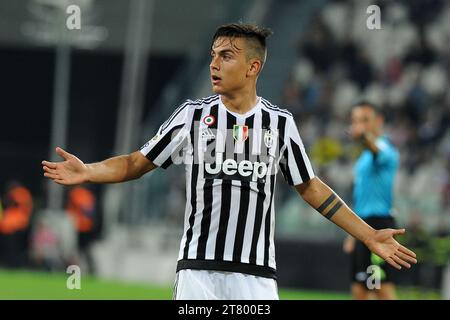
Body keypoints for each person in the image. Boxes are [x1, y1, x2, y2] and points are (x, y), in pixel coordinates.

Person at [42, 23, 417, 300]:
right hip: (197, 273)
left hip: (255, 278)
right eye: (212, 56)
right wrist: (89, 170)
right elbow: (136, 163)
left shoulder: (279, 124)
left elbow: (311, 188)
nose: (214, 64)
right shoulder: (191, 116)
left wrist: (367, 234)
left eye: (226, 56)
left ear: (253, 67)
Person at [343, 101, 402, 300]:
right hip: (362, 227)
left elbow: (376, 148)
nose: (359, 125)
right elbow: (362, 197)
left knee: (380, 287)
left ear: (379, 121)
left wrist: (363, 137)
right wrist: (353, 233)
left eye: (365, 120)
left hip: (379, 226)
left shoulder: (385, 148)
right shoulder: (364, 158)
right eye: (356, 121)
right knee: (359, 289)